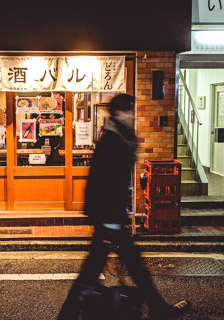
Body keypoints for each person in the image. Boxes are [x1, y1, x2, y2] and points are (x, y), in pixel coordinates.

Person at [57, 94, 188, 320]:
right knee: (125, 269)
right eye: (131, 111)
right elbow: (104, 182)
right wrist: (109, 218)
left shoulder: (116, 137)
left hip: (110, 218)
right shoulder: (113, 140)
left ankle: (159, 309)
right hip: (110, 219)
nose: (134, 116)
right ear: (121, 113)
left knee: (106, 271)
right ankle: (160, 310)